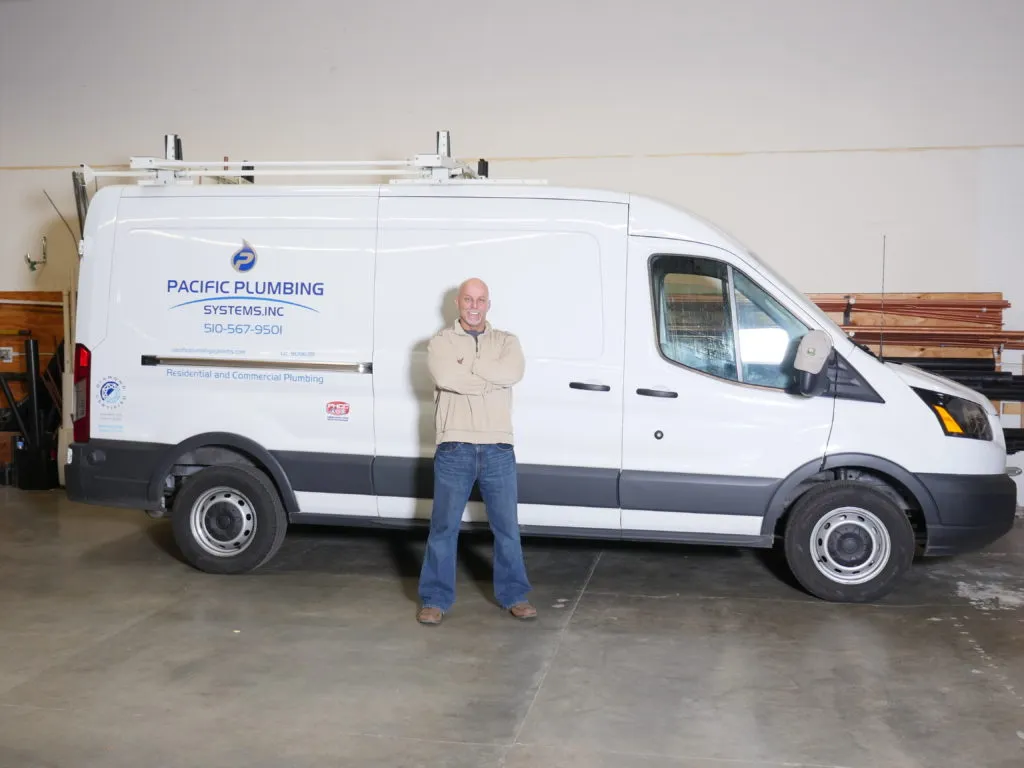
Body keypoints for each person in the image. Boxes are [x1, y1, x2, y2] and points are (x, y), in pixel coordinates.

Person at [416, 277, 536, 625]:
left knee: (506, 528)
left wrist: (469, 366)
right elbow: (446, 377)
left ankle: (515, 595)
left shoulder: (506, 341)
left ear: (488, 304)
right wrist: (490, 377)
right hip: (455, 445)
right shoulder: (440, 342)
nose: (473, 305)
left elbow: (513, 372)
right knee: (443, 528)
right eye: (467, 299)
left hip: (498, 446)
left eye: (480, 299)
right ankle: (435, 599)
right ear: (458, 302)